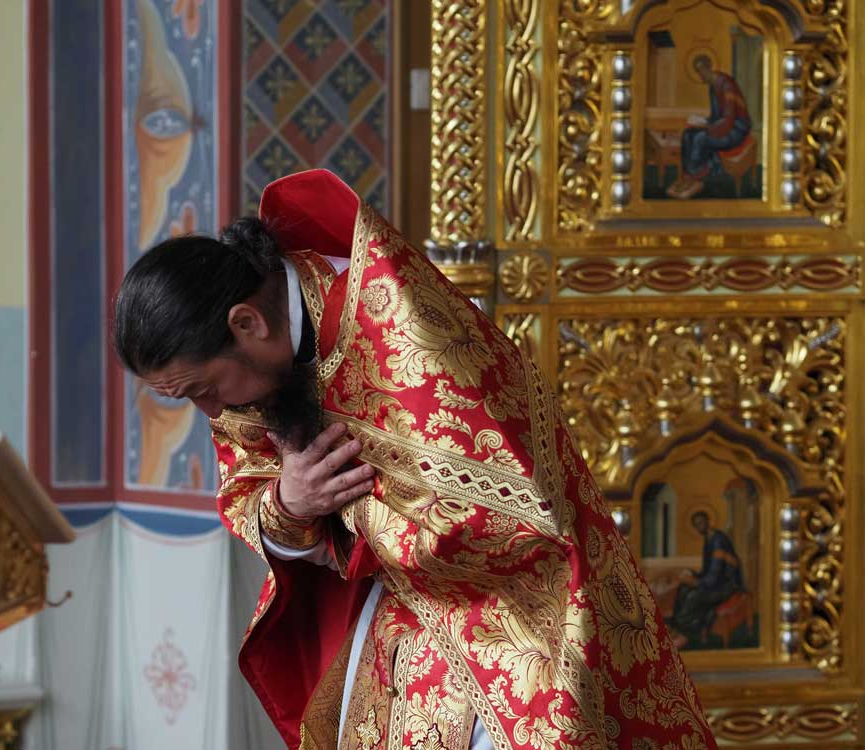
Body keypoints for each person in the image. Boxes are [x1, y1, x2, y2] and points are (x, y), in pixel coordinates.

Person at [113, 169, 716, 750]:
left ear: (247, 323)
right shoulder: (247, 377)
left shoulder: (406, 321)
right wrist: (289, 505)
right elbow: (252, 492)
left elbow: (514, 515)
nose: (211, 412)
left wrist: (349, 515)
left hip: (529, 615)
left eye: (203, 390)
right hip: (397, 626)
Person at [667, 54, 752, 200]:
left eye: (701, 71)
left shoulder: (727, 85)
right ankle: (687, 177)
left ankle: (695, 179)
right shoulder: (713, 87)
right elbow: (716, 117)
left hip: (736, 129)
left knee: (700, 139)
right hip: (722, 126)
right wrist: (702, 122)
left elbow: (729, 119)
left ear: (708, 68)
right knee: (688, 134)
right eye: (697, 72)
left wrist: (707, 128)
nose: (700, 76)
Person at [670, 511, 745, 648]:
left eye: (701, 522)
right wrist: (692, 575)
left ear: (708, 521)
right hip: (715, 583)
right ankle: (676, 629)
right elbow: (707, 571)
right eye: (696, 525)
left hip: (727, 586)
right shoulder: (709, 539)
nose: (699, 527)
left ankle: (683, 634)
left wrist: (695, 581)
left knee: (693, 596)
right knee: (683, 589)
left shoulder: (718, 541)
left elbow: (715, 574)